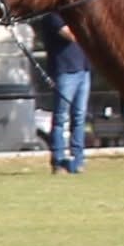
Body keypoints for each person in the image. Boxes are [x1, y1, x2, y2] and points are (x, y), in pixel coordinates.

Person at [34, 10, 91, 174]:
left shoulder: (74, 15)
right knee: (60, 117)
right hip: (65, 71)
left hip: (83, 70)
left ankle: (78, 160)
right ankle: (58, 160)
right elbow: (71, 35)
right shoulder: (53, 16)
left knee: (79, 117)